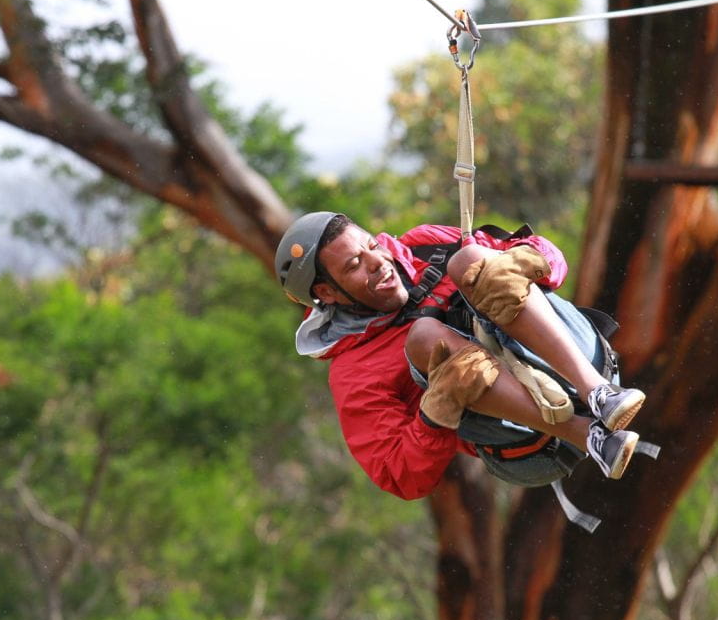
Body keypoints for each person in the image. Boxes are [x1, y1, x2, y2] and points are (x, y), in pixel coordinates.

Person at [275, 211, 650, 504]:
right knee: (423, 338)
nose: (376, 263)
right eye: (354, 266)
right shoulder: (354, 371)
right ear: (329, 292)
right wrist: (436, 411)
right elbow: (399, 473)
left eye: (371, 246)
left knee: (470, 259)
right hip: (532, 443)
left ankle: (600, 393)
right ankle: (592, 438)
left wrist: (531, 259)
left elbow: (541, 250)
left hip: (584, 363)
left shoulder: (424, 245)